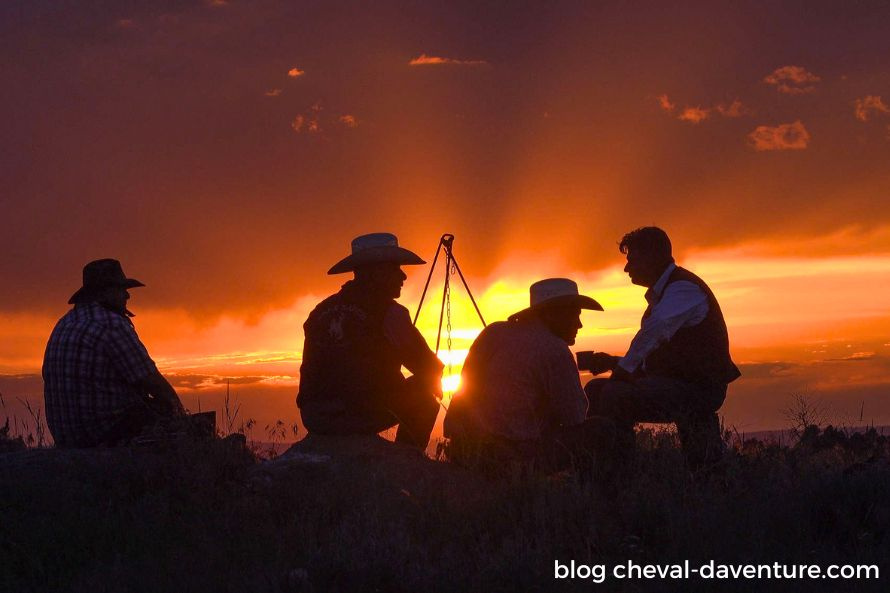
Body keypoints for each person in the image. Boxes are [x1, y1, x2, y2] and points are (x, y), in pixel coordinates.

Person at [582, 227, 741, 469]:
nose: (627, 268)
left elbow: (655, 331)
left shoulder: (683, 289)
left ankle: (618, 472)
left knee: (614, 394)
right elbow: (659, 352)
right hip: (680, 383)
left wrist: (623, 371)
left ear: (652, 256)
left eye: (631, 260)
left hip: (697, 389)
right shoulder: (671, 292)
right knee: (595, 389)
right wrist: (614, 362)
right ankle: (599, 466)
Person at [444, 278, 613, 471]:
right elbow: (574, 416)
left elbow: (466, 385)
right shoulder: (555, 349)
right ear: (552, 314)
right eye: (575, 315)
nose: (580, 324)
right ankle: (589, 496)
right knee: (602, 430)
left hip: (463, 449)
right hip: (511, 456)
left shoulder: (493, 332)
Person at [297, 232, 444, 450]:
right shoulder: (390, 313)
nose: (403, 276)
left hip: (315, 416)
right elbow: (427, 366)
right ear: (376, 273)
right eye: (395, 268)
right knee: (423, 396)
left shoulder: (320, 312)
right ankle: (405, 463)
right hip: (356, 414)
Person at [43, 259, 187, 448]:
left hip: (67, 437)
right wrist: (182, 419)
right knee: (172, 418)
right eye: (121, 289)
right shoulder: (111, 324)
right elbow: (153, 383)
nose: (127, 295)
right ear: (105, 293)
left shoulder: (64, 323)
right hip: (103, 434)